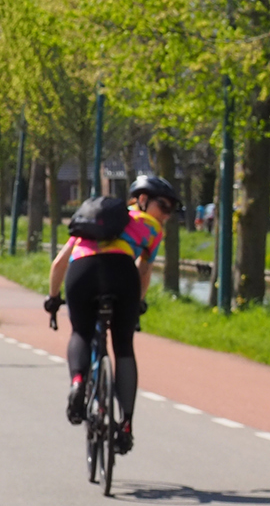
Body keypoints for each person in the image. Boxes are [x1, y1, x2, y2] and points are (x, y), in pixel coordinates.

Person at [44, 175, 181, 454]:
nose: (166, 214)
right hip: (122, 275)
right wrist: (138, 303)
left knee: (81, 332)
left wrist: (54, 298)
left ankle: (78, 383)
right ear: (142, 200)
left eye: (171, 210)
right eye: (163, 206)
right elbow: (143, 270)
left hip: (82, 273)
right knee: (123, 347)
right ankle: (126, 425)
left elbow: (59, 263)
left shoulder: (92, 217)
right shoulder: (151, 228)